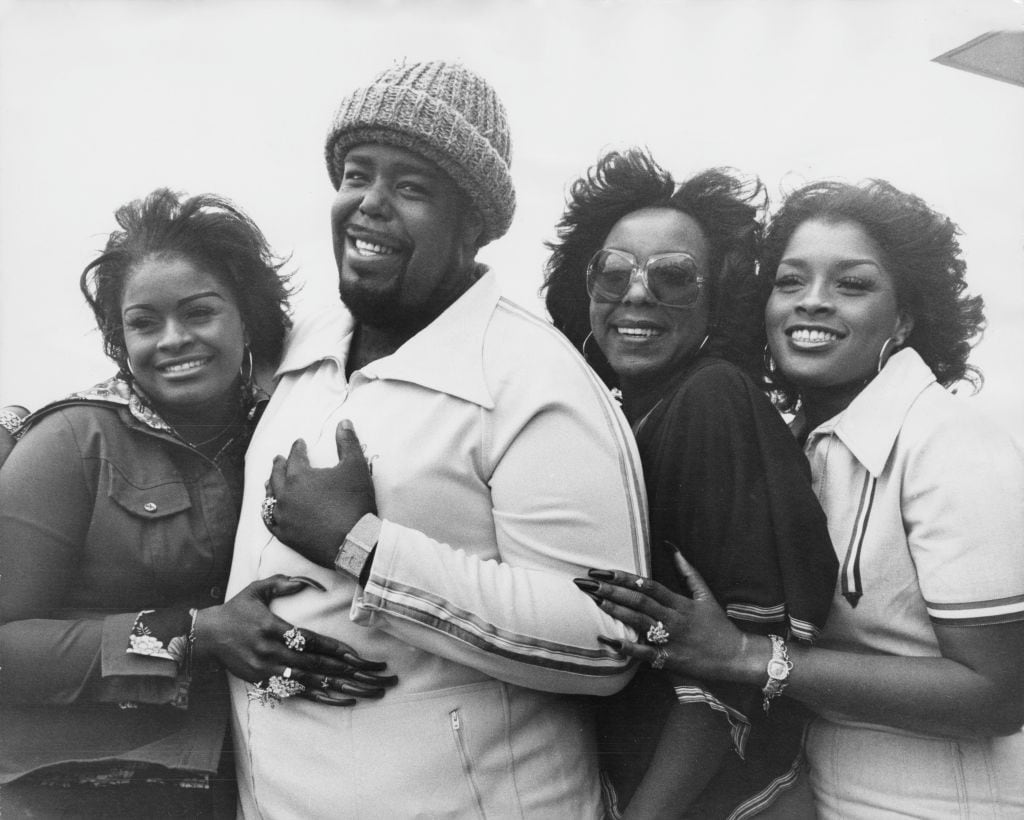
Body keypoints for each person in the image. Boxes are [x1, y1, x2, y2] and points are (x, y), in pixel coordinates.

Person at [224, 60, 649, 818]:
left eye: (412, 187)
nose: (371, 205)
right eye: (357, 175)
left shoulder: (533, 379)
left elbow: (605, 641)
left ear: (474, 225)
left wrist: (362, 547)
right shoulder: (303, 346)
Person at [584, 179, 1024, 818]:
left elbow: (1000, 693)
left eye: (852, 284)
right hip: (828, 792)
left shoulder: (949, 441)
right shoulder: (802, 442)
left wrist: (746, 656)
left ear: (904, 317)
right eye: (790, 282)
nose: (812, 303)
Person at [0, 189, 396, 819]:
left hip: (238, 786)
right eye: (144, 322)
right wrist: (192, 634)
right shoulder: (72, 441)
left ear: (249, 319)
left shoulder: (285, 427)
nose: (173, 340)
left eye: (199, 313)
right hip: (68, 791)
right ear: (118, 336)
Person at [542, 149, 838, 819]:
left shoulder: (711, 397)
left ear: (720, 297)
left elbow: (728, 660)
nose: (637, 292)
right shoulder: (622, 414)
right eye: (612, 271)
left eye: (674, 276)